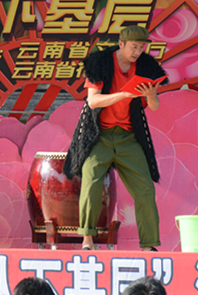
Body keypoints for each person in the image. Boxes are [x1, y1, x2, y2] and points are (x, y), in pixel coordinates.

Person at [64, 25, 166, 252]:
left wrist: (151, 96)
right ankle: (87, 240)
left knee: (145, 189)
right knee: (91, 182)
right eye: (133, 47)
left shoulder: (146, 67)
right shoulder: (100, 63)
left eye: (141, 47)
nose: (137, 52)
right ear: (121, 44)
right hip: (99, 136)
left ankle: (149, 245)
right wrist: (124, 94)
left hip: (128, 137)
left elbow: (154, 106)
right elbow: (93, 101)